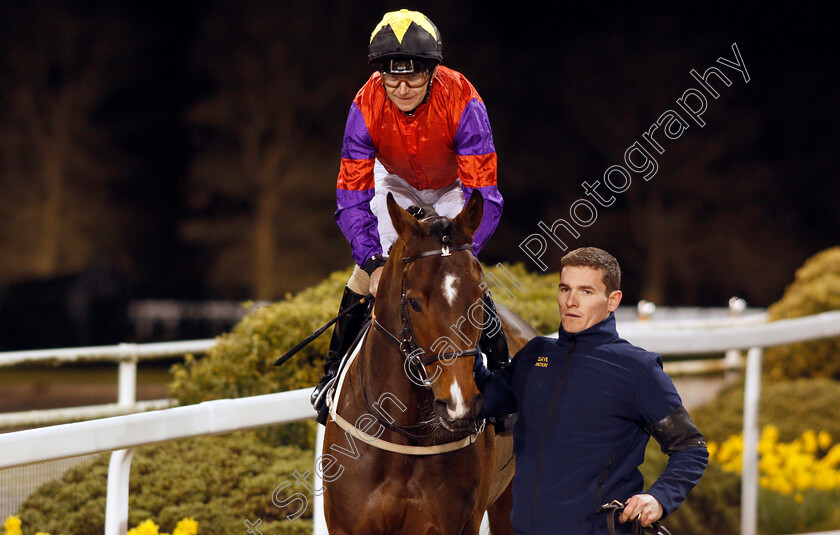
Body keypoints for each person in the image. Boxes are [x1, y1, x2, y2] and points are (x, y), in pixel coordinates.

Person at [311, 9, 507, 419]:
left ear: (432, 72)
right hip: (393, 181)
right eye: (392, 77)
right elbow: (351, 195)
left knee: (460, 269)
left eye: (413, 77)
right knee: (367, 274)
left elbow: (481, 194)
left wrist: (461, 247)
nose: (401, 88)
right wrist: (373, 260)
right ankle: (332, 374)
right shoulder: (364, 106)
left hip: (456, 183)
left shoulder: (465, 100)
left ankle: (502, 375)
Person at [475, 247, 708, 534]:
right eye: (565, 289)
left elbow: (690, 448)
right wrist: (463, 343)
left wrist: (659, 498)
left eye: (586, 292)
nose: (571, 301)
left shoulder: (638, 369)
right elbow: (481, 400)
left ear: (613, 300)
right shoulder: (535, 356)